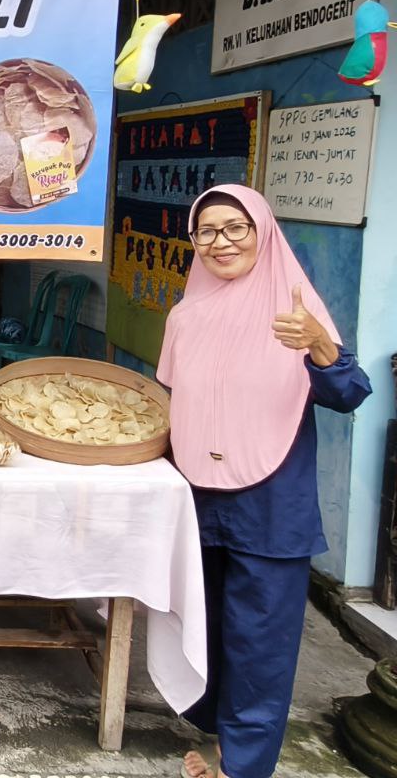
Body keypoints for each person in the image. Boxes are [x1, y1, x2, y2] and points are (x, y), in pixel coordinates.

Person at [157, 184, 371, 778]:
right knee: (209, 626)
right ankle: (225, 740)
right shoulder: (186, 313)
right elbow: (175, 400)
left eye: (235, 229)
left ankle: (244, 767)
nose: (220, 242)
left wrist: (323, 348)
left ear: (262, 231)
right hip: (199, 489)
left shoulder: (295, 308)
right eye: (206, 232)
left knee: (260, 641)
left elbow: (349, 395)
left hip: (271, 498)